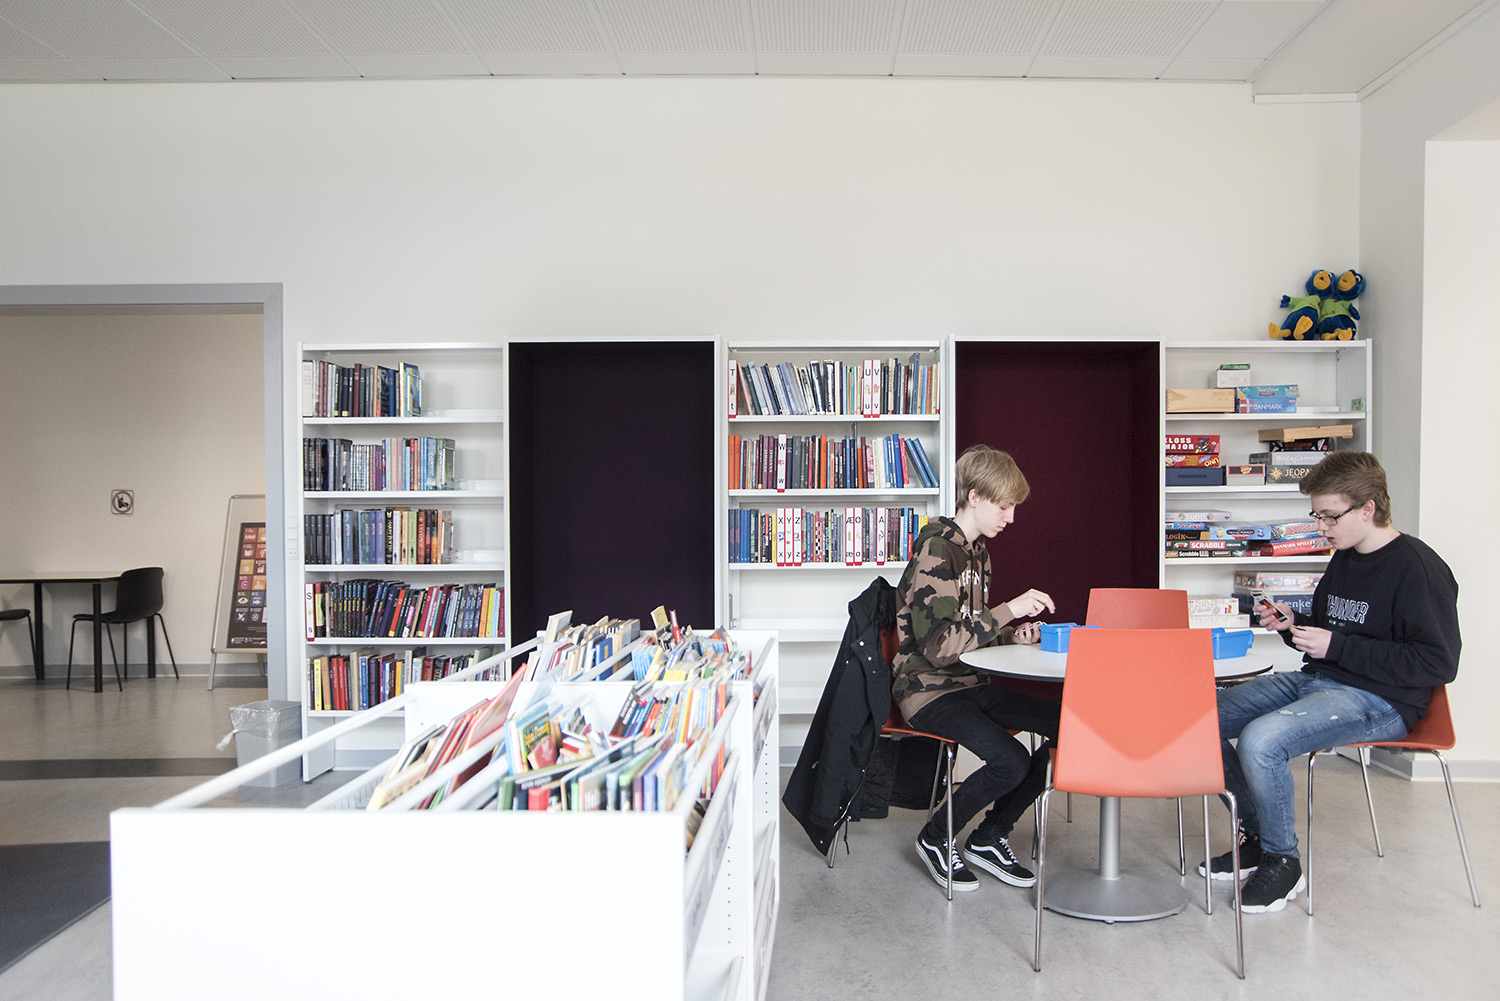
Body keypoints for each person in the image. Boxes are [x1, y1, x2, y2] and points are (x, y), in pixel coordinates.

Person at [1205, 450, 1460, 912]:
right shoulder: (1345, 557)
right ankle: (1260, 838)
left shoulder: (1418, 568)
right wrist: (1292, 626)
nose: (1321, 527)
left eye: (1329, 516)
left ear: (1368, 508)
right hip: (1320, 680)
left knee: (1261, 741)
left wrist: (1336, 647)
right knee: (1197, 719)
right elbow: (1330, 633)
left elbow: (1437, 663)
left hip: (1381, 700)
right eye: (1316, 515)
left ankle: (1284, 862)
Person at [892, 444, 1061, 893]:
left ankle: (989, 837)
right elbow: (939, 647)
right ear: (975, 496)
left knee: (1067, 725)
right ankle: (936, 837)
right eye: (1004, 506)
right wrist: (1008, 611)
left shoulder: (977, 552)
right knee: (1010, 760)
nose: (1011, 517)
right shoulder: (937, 550)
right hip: (928, 690)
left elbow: (969, 633)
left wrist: (1011, 636)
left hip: (969, 683)